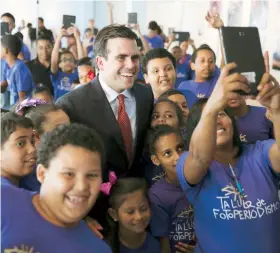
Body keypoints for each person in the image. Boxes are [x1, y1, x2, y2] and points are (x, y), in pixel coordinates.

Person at [176, 57, 280, 253]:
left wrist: (277, 111)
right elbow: (200, 158)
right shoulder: (188, 163)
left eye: (222, 114)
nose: (216, 120)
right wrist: (213, 107)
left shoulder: (259, 153)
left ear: (232, 121)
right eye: (209, 118)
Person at [56, 24, 154, 226]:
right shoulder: (71, 106)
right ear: (100, 62)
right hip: (93, 214)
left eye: (135, 58)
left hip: (137, 213)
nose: (131, 65)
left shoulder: (145, 95)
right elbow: (61, 167)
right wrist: (81, 218)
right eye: (121, 57)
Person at [1, 123, 112, 252]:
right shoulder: (4, 202)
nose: (81, 187)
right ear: (42, 174)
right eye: (69, 174)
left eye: (92, 175)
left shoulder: (97, 250)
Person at [148, 125, 195, 253]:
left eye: (180, 148)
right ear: (156, 160)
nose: (178, 157)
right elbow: (164, 244)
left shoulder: (201, 181)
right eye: (168, 153)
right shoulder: (157, 195)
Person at [106, 177, 161, 253]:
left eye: (143, 209)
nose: (139, 217)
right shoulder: (104, 248)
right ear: (114, 214)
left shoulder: (160, 241)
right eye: (130, 211)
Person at [144, 99, 185, 186]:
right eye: (155, 116)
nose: (161, 120)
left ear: (180, 122)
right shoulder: (143, 159)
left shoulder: (191, 149)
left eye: (169, 116)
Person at [1, 112, 36, 188]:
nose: (32, 149)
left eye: (32, 142)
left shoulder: (33, 175)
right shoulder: (4, 193)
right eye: (20, 143)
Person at [1, 34, 34, 105]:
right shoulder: (7, 65)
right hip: (15, 107)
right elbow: (3, 86)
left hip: (25, 109)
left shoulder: (20, 69)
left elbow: (23, 99)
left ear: (6, 50)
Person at [50, 27, 82, 100]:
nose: (68, 62)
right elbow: (54, 61)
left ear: (75, 64)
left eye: (71, 60)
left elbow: (82, 60)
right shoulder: (56, 76)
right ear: (59, 64)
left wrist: (77, 38)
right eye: (64, 60)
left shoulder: (77, 75)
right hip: (59, 109)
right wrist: (58, 38)